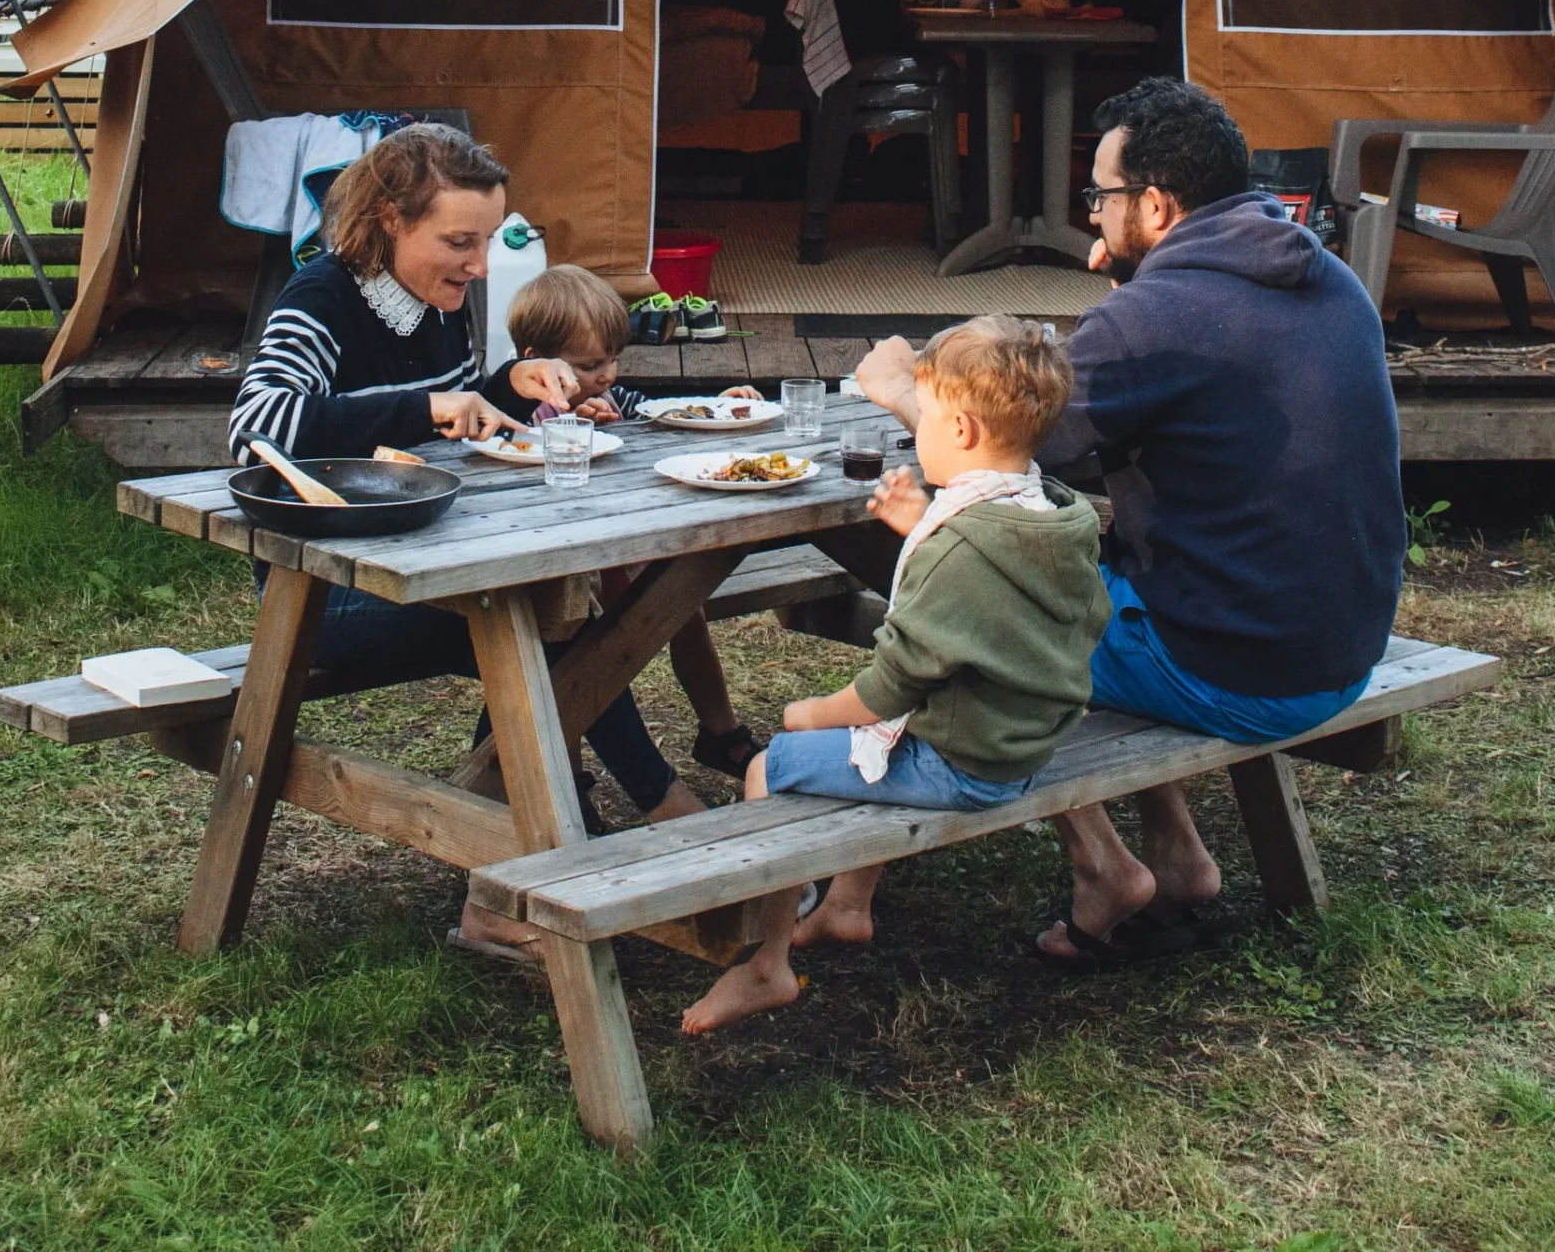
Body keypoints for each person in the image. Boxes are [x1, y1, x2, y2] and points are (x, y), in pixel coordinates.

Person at [857, 77, 1406, 969]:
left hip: (1246, 670)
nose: (1093, 217)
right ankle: (1179, 857)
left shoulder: (1160, 314)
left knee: (982, 621)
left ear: (1156, 204)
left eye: (1101, 197)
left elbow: (1014, 446)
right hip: (1341, 640)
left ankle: (1101, 868)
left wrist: (900, 390)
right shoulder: (1325, 273)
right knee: (1086, 584)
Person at [228, 125, 704, 963]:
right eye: (460, 241)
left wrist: (505, 385)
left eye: (486, 240)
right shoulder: (321, 300)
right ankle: (659, 818)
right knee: (550, 627)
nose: (480, 264)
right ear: (387, 221)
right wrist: (431, 410)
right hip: (328, 593)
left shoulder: (440, 306)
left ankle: (521, 872)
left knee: (545, 611)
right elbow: (257, 427)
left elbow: (454, 415)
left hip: (431, 565)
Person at [679, 316, 1109, 1034]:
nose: (921, 433)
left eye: (929, 418)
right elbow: (996, 587)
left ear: (964, 431)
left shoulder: (961, 546)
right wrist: (928, 524)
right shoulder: (1051, 514)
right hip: (1027, 742)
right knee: (834, 747)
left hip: (966, 763)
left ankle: (763, 962)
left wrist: (810, 712)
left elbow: (892, 683)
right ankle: (838, 909)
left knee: (773, 764)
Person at [492, 265, 763, 778]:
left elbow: (658, 411)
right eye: (592, 364)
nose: (609, 375)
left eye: (615, 359)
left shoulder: (609, 398)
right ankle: (566, 779)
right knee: (570, 652)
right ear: (535, 363)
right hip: (562, 572)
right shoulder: (516, 417)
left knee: (683, 610)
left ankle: (720, 729)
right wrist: (568, 423)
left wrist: (714, 404)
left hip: (622, 549)